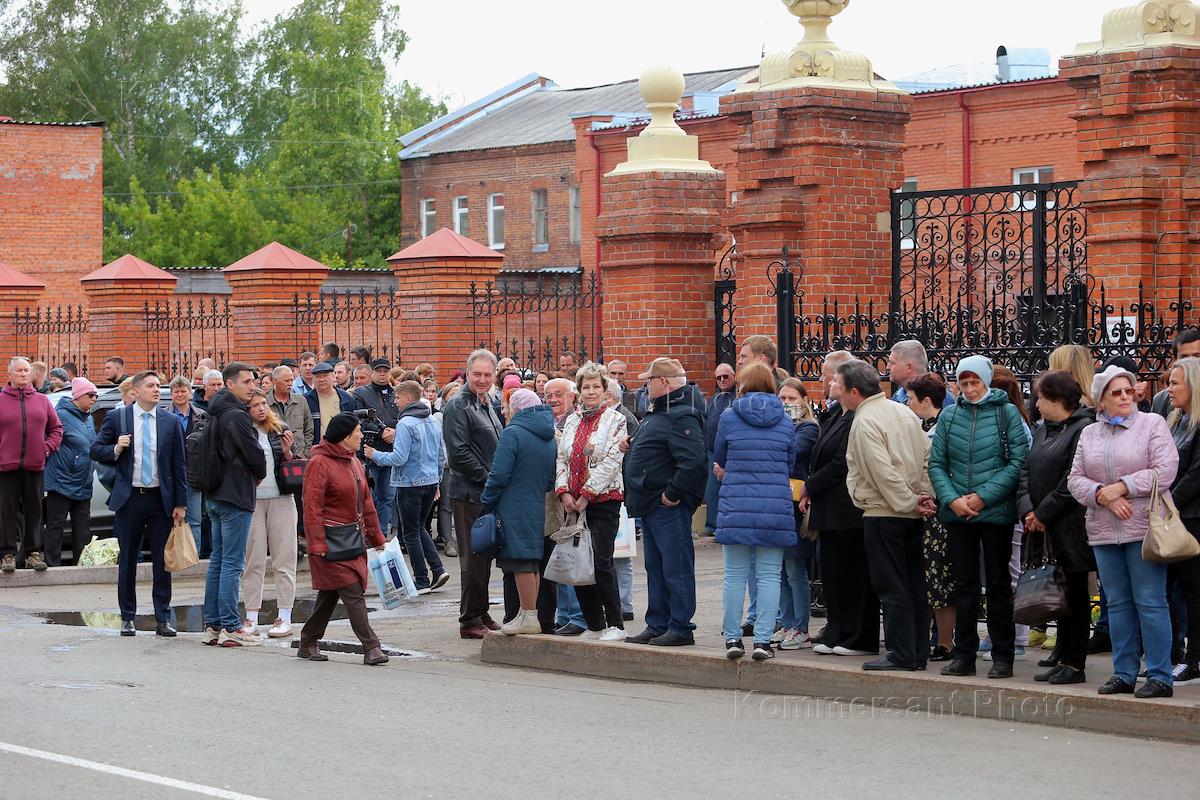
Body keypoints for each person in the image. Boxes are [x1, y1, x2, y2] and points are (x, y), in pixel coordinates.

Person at [1069, 364, 1179, 698]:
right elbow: (1075, 479)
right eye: (1116, 393)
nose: (1125, 397)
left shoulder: (1152, 424)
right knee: (1116, 604)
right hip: (1104, 529)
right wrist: (1102, 494)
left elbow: (1165, 469)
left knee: (1151, 601)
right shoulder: (1090, 433)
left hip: (1144, 527)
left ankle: (1159, 675)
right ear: (1101, 400)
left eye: (1129, 391)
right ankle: (1124, 673)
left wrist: (1123, 486)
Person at [929, 355, 1028, 679]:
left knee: (998, 584)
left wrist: (983, 496)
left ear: (986, 381)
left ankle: (1003, 655)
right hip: (959, 513)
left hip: (995, 512)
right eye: (964, 383)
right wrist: (952, 499)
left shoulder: (1006, 413)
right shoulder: (949, 416)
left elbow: (1018, 461)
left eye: (975, 382)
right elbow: (937, 464)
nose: (970, 389)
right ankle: (964, 655)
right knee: (964, 585)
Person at [842, 360, 936, 672]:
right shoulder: (903, 412)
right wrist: (924, 496)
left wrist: (908, 501)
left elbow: (881, 471)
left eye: (840, 386)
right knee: (914, 583)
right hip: (911, 511)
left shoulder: (865, 420)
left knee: (892, 584)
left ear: (854, 391)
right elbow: (927, 457)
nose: (837, 392)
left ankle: (901, 653)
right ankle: (917, 651)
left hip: (884, 512)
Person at [713, 362, 797, 661]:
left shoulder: (729, 416)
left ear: (743, 385)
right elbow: (790, 461)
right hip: (774, 505)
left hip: (737, 503)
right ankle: (762, 641)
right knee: (770, 575)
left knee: (735, 575)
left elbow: (720, 455)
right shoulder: (785, 419)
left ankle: (732, 638)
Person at [91, 371, 186, 635]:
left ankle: (162, 618)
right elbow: (95, 450)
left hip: (159, 499)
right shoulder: (118, 417)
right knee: (128, 560)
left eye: (158, 385)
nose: (157, 390)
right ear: (136, 390)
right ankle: (127, 617)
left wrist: (181, 502)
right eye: (151, 386)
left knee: (162, 562)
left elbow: (179, 464)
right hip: (130, 498)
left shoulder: (169, 421)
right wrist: (115, 448)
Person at [1017, 370, 1096, 685]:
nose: (1036, 404)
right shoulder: (1041, 430)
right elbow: (1026, 471)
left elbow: (1070, 480)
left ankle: (1075, 662)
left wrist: (1043, 513)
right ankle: (1062, 657)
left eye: (1040, 398)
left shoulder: (1082, 429)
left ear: (1056, 399)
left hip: (1069, 525)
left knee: (1075, 594)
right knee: (1059, 593)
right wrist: (1028, 509)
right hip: (1042, 525)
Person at [624, 357, 708, 646]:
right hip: (651, 502)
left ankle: (680, 626)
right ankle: (658, 623)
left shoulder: (680, 413)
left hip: (665, 505)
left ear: (663, 382)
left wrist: (672, 494)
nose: (646, 386)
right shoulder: (663, 410)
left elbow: (694, 461)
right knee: (657, 567)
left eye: (649, 381)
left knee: (675, 567)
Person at [801, 351, 879, 656]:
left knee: (853, 574)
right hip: (830, 509)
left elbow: (840, 463)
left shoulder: (857, 418)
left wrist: (810, 484)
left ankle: (858, 636)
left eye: (834, 379)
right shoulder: (837, 415)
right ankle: (838, 630)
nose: (829, 383)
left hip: (847, 509)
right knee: (834, 575)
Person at [299, 413, 389, 665]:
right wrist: (317, 543)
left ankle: (308, 641)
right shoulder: (319, 462)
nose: (361, 435)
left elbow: (367, 503)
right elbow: (312, 507)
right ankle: (371, 647)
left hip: (352, 539)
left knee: (330, 594)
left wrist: (377, 537)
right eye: (357, 431)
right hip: (331, 542)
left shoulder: (354, 461)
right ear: (344, 436)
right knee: (352, 590)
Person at [473, 389, 555, 635]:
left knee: (520, 561)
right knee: (531, 561)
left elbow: (499, 474)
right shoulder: (548, 435)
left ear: (517, 408)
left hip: (512, 505)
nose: (504, 410)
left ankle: (528, 615)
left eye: (507, 406)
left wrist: (487, 500)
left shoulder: (513, 433)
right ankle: (527, 613)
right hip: (536, 503)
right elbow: (550, 479)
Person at [556, 362, 629, 640]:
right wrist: (563, 491)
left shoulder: (616, 419)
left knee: (601, 561)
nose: (590, 391)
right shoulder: (572, 420)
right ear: (579, 390)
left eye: (595, 386)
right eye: (585, 387)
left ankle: (616, 624)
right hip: (572, 502)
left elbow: (612, 460)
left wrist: (587, 494)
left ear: (604, 389)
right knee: (579, 563)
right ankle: (594, 624)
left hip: (604, 499)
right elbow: (562, 458)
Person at [201, 362, 268, 647]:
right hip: (235, 495)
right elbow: (255, 456)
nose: (253, 386)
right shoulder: (236, 415)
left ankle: (213, 625)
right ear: (230, 384)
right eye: (247, 382)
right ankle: (230, 626)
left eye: (254, 381)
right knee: (232, 562)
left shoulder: (215, 412)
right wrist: (259, 472)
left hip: (215, 495)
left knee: (218, 561)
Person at [364, 380, 449, 593]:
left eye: (398, 397)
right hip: (430, 482)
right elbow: (441, 456)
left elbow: (399, 458)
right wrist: (438, 481)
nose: (395, 401)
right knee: (420, 528)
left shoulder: (405, 423)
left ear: (408, 398)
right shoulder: (433, 420)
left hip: (410, 483)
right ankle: (438, 570)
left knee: (410, 533)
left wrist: (375, 454)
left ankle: (422, 580)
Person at [443, 349, 505, 639]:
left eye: (487, 374)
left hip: (486, 492)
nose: (482, 379)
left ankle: (481, 611)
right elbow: (459, 454)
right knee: (472, 558)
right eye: (477, 374)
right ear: (467, 373)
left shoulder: (486, 402)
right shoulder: (459, 405)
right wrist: (489, 479)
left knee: (484, 555)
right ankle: (469, 619)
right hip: (469, 492)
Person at [904, 372, 955, 661]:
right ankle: (927, 637)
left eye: (911, 398)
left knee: (940, 577)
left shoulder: (941, 429)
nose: (907, 403)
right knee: (924, 577)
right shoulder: (918, 426)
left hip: (937, 511)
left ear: (926, 400)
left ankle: (946, 641)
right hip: (920, 511)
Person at [242, 390, 299, 638]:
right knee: (253, 560)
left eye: (263, 403)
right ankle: (251, 617)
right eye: (254, 405)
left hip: (282, 499)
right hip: (253, 501)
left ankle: (284, 616)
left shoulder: (279, 429)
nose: (261, 408)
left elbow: (295, 462)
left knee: (284, 559)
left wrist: (287, 451)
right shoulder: (243, 431)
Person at [0, 357, 64, 573]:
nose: (23, 374)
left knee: (34, 511)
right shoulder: (1, 400)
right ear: (9, 374)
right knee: (6, 511)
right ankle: (7, 554)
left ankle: (33, 553)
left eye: (26, 370)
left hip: (35, 465)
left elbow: (57, 429)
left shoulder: (42, 401)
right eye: (19, 370)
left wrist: (46, 448)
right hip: (5, 467)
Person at [776, 378, 819, 650]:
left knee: (795, 569)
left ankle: (800, 626)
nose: (786, 404)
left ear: (803, 400)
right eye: (782, 399)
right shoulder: (780, 427)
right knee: (780, 570)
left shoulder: (808, 428)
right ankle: (786, 621)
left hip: (795, 504)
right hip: (777, 503)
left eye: (791, 399)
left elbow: (791, 452)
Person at [544, 376, 587, 635]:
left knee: (575, 559)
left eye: (558, 394)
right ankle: (564, 614)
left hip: (575, 501)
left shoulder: (576, 422)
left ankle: (577, 616)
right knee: (561, 559)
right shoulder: (549, 423)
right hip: (558, 500)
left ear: (572, 397)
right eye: (548, 395)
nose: (552, 400)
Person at [1166, 358, 1200, 684]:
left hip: (1192, 518)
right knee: (1167, 590)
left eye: (1175, 383)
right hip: (1173, 517)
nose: (1169, 389)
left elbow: (1195, 475)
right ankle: (1172, 655)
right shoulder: (1177, 421)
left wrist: (1169, 504)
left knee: (1193, 591)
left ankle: (1194, 658)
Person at [43, 378, 98, 566]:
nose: (94, 399)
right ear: (78, 396)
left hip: (83, 480)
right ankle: (52, 566)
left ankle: (81, 566)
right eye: (91, 395)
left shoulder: (89, 418)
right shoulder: (60, 415)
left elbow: (91, 445)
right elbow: (49, 440)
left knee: (83, 528)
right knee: (56, 525)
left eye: (96, 396)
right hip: (61, 479)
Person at [355, 358, 399, 536]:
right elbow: (360, 420)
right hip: (369, 452)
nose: (382, 374)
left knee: (387, 496)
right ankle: (368, 532)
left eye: (385, 371)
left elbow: (402, 416)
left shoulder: (396, 393)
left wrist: (395, 432)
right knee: (368, 497)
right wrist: (381, 431)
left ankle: (381, 533)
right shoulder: (361, 393)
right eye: (379, 371)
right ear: (372, 372)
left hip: (391, 452)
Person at [167, 375, 206, 547]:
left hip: (194, 475)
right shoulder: (163, 415)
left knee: (195, 520)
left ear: (190, 393)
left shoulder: (202, 416)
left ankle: (193, 555)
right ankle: (172, 555)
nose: (180, 395)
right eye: (176, 392)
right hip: (170, 476)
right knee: (170, 519)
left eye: (183, 391)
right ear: (171, 394)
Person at [703, 362, 736, 536]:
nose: (722, 380)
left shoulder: (738, 397)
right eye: (718, 378)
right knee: (712, 489)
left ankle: (724, 526)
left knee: (728, 488)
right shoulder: (714, 399)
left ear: (734, 377)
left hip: (731, 450)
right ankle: (712, 525)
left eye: (725, 376)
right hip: (712, 450)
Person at [888, 339, 954, 407]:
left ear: (909, 367)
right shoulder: (898, 396)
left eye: (892, 363)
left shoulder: (941, 398)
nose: (888, 367)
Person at [305, 362, 359, 443]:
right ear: (313, 379)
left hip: (342, 445)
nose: (321, 379)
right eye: (318, 377)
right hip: (317, 447)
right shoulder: (306, 400)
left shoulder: (346, 398)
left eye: (325, 376)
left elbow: (354, 424)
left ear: (333, 377)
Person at [268, 365, 314, 457]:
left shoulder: (301, 400)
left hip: (299, 456)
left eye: (291, 380)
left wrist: (305, 453)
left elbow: (309, 429)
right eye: (286, 381)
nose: (290, 383)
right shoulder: (265, 403)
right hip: (275, 457)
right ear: (274, 381)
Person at [1152, 330, 1200, 416]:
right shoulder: (1161, 401)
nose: (1190, 362)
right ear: (1175, 359)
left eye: (1197, 356)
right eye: (1184, 357)